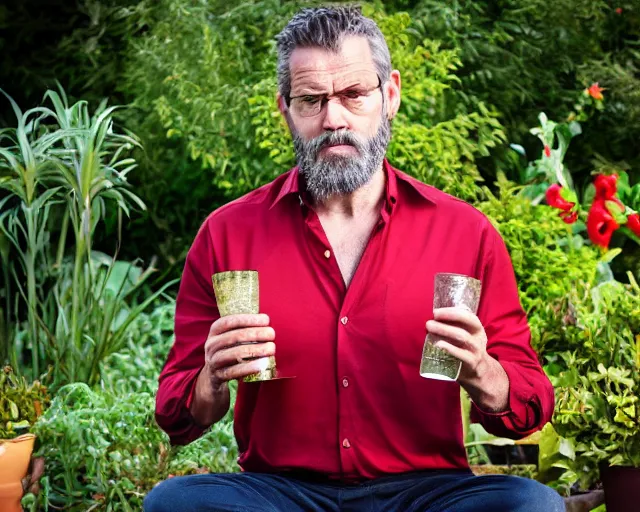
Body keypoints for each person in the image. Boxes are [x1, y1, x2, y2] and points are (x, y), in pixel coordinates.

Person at [144, 6, 565, 512]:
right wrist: (209, 379)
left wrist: (484, 373)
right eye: (311, 100)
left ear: (389, 96)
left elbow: (529, 406)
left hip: (426, 494)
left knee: (530, 505)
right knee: (176, 503)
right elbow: (175, 414)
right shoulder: (227, 234)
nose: (333, 119)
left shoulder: (463, 233)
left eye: (353, 95)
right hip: (281, 494)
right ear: (286, 110)